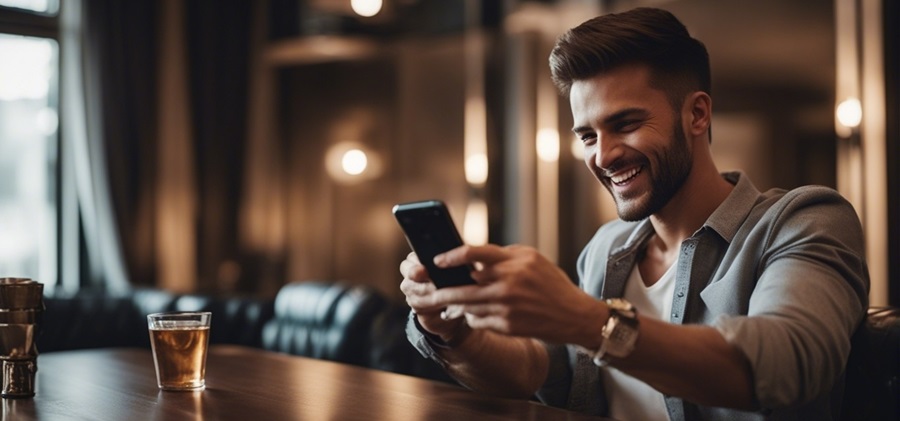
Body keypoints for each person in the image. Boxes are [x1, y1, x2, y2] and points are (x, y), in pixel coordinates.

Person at [398, 7, 869, 421]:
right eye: (587, 136)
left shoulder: (805, 219)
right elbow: (543, 373)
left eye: (625, 123)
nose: (602, 156)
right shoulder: (607, 248)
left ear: (698, 115)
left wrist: (586, 320)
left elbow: (786, 365)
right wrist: (450, 329)